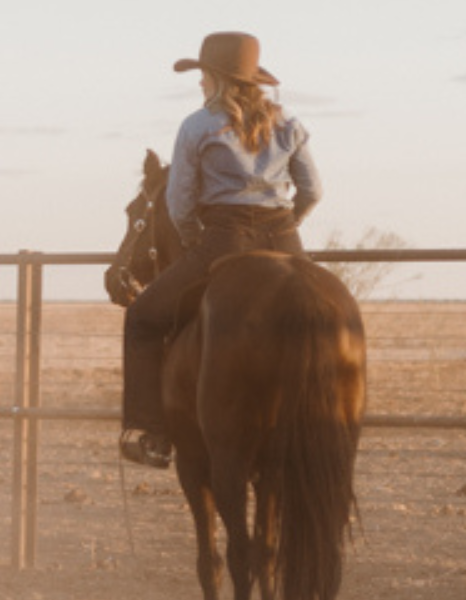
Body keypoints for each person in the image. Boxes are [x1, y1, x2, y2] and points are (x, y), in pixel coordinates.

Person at [118, 31, 321, 468]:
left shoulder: (197, 125)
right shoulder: (290, 124)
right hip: (286, 239)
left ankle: (149, 432)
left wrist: (195, 242)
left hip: (224, 238)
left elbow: (178, 203)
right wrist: (291, 222)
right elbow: (313, 190)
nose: (199, 84)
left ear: (215, 78)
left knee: (142, 317)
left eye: (202, 75)